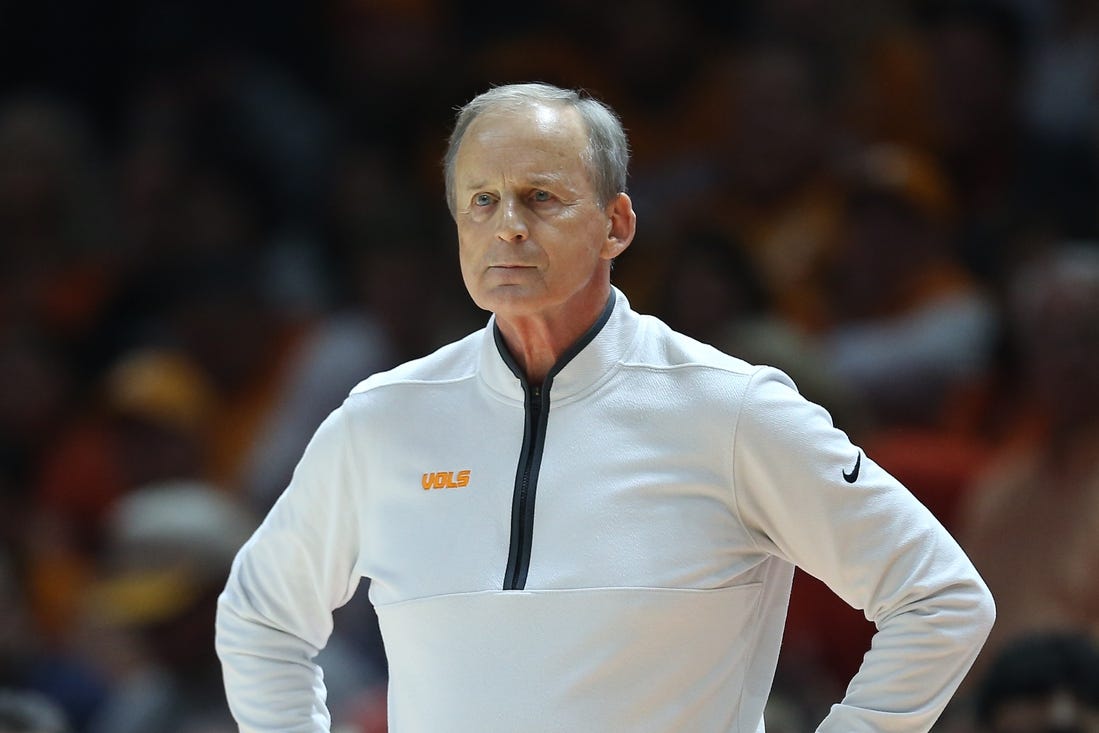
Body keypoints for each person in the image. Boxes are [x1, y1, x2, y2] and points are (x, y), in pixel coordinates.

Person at [216, 82, 995, 732]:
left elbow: (941, 598)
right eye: (480, 201)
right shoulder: (380, 420)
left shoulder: (730, 410)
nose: (507, 226)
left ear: (616, 223)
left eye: (540, 197)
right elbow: (260, 619)